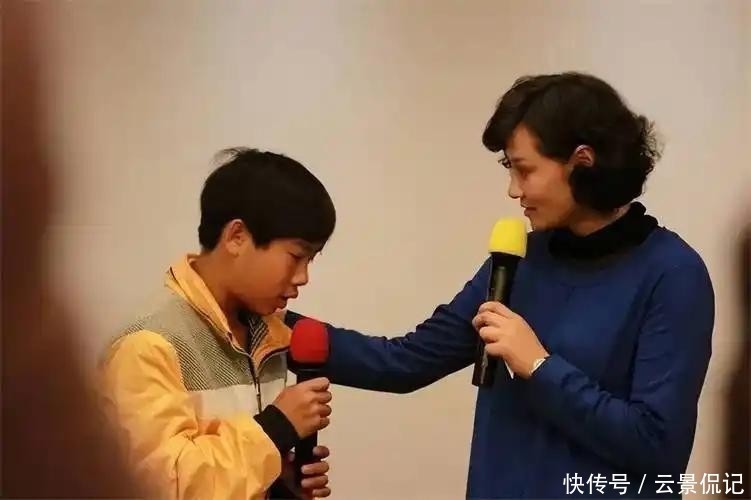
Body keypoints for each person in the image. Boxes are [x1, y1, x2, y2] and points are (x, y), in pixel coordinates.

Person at [284, 72, 715, 499]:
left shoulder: (673, 273)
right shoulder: (518, 261)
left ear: (582, 161)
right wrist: (268, 322)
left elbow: (658, 447)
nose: (513, 191)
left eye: (525, 171)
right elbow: (404, 362)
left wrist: (540, 367)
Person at [99, 148, 337, 500]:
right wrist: (276, 428)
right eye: (296, 256)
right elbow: (164, 486)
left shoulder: (269, 337)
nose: (303, 277)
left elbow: (228, 473)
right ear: (236, 237)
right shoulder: (148, 344)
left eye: (310, 261)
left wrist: (276, 481)